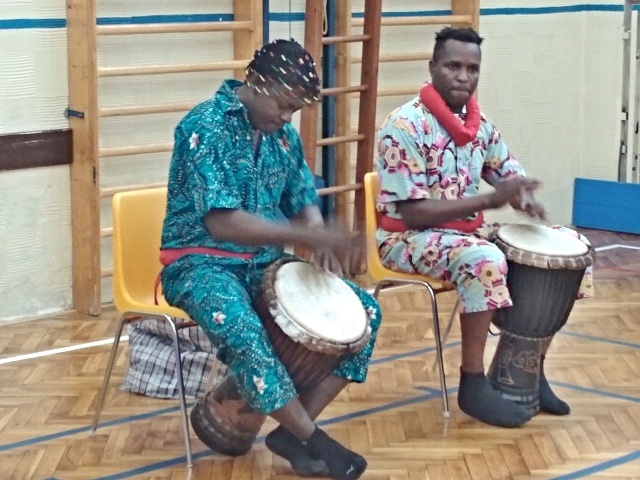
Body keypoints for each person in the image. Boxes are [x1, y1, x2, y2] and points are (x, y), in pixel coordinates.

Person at [159, 39, 380, 479]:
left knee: (366, 314)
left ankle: (292, 433)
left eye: (294, 109)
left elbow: (301, 196)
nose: (286, 117)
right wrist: (301, 234)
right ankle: (312, 440)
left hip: (261, 264)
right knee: (246, 329)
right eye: (282, 105)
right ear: (257, 83)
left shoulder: (283, 137)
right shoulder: (204, 126)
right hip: (199, 264)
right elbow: (222, 222)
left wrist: (317, 235)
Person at [375, 27, 594, 428]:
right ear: (432, 68)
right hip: (406, 238)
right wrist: (490, 201)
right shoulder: (404, 126)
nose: (463, 76)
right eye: (453, 66)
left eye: (472, 69)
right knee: (484, 260)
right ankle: (473, 384)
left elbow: (506, 173)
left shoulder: (479, 125)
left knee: (573, 250)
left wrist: (521, 196)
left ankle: (526, 370)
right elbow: (413, 214)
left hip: (463, 233)